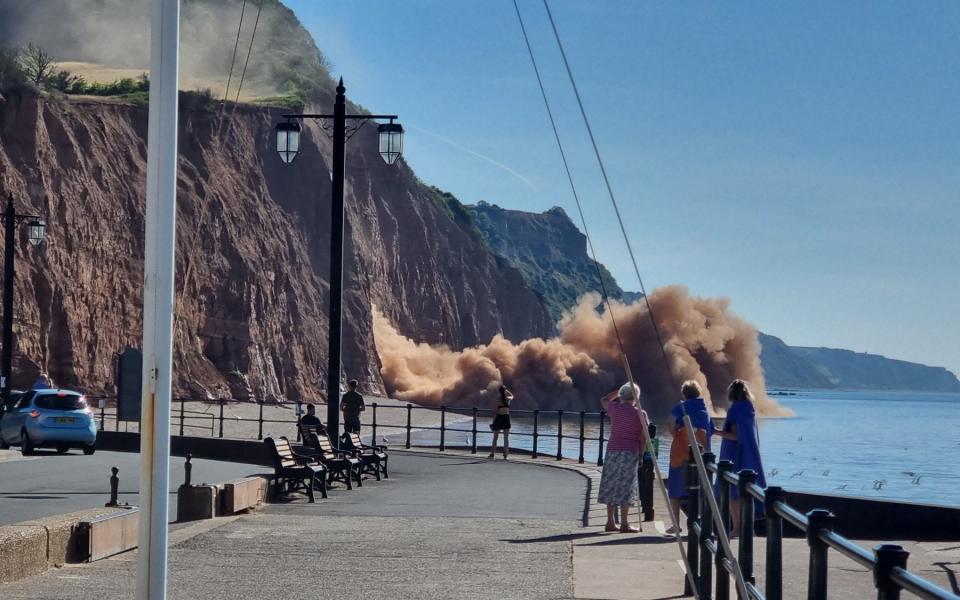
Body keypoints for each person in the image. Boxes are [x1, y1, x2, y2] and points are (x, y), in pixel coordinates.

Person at [714, 379, 766, 534]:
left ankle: (737, 528)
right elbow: (747, 434)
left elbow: (736, 436)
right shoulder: (749, 409)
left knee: (732, 493)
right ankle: (748, 528)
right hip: (750, 455)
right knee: (748, 491)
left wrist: (717, 432)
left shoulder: (735, 409)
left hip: (735, 456)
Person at [597, 382, 648, 533]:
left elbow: (604, 399)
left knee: (611, 483)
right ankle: (624, 524)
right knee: (626, 486)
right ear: (636, 397)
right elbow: (644, 437)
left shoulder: (615, 409)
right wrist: (640, 455)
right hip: (630, 452)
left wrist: (618, 392)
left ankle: (610, 522)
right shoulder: (641, 414)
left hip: (613, 450)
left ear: (622, 396)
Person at [666, 380, 714, 534]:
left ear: (684, 393)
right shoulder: (705, 409)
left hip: (681, 454)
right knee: (701, 490)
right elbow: (710, 430)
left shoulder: (680, 407)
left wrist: (677, 435)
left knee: (674, 491)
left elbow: (670, 424)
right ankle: (699, 522)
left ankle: (676, 524)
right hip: (702, 455)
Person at [488, 385, 513, 459]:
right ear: (505, 391)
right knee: (506, 438)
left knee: (495, 438)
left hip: (499, 418)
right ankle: (505, 455)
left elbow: (496, 412)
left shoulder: (498, 399)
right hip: (506, 418)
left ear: (499, 391)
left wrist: (493, 422)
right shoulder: (508, 399)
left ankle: (492, 454)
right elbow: (512, 395)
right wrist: (506, 391)